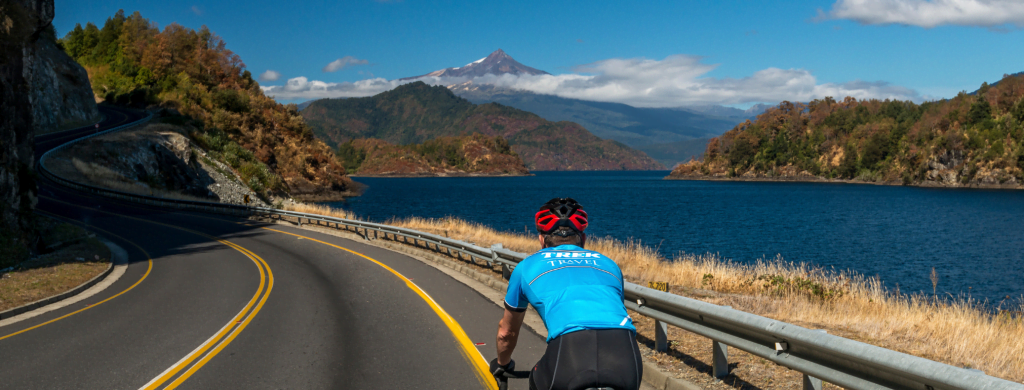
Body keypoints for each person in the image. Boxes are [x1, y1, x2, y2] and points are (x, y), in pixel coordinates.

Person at [491, 198, 642, 390]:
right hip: (625, 352)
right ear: (584, 239)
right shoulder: (609, 264)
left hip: (570, 353)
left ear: (541, 239)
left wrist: (502, 364)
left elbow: (506, 333)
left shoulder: (526, 267)